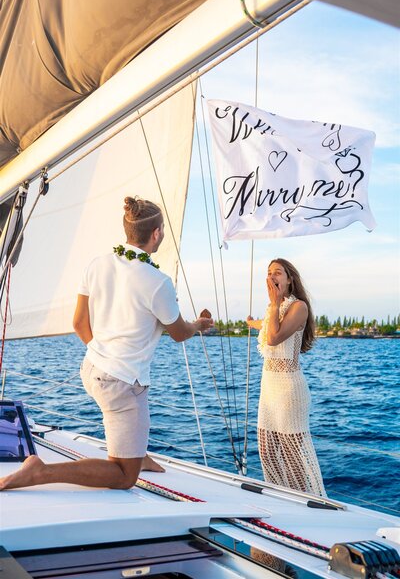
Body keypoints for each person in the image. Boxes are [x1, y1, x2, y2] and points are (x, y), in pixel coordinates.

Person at [0, 196, 213, 491]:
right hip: (121, 383)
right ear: (156, 233)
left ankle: (138, 453)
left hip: (92, 368)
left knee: (127, 421)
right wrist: (199, 325)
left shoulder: (98, 264)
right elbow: (178, 332)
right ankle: (40, 472)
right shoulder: (157, 281)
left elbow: (78, 323)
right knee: (125, 476)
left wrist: (104, 355)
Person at [247, 258, 325, 496]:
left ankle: (305, 499)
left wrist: (276, 300)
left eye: (278, 273)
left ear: (290, 279)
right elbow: (264, 325)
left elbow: (273, 337)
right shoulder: (274, 309)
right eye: (269, 273)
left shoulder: (298, 307)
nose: (272, 277)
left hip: (289, 390)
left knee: (293, 454)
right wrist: (251, 322)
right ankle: (282, 495)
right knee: (267, 448)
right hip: (269, 388)